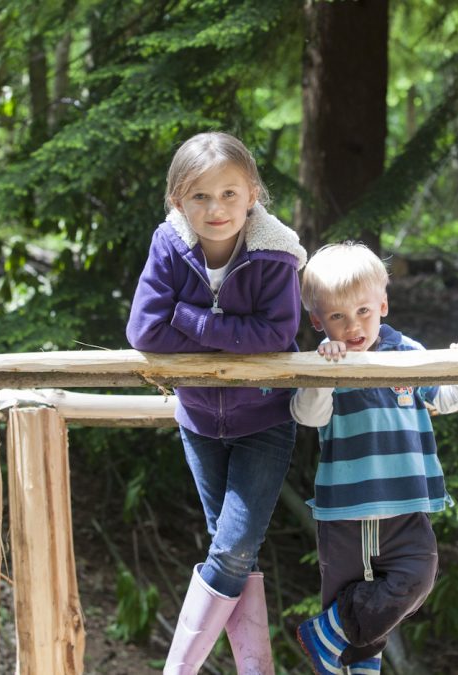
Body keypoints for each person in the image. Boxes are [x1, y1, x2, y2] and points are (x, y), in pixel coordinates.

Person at [126, 131, 307, 675]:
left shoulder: (274, 253)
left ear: (252, 193)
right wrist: (232, 332)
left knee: (230, 550)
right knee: (235, 551)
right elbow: (142, 329)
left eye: (229, 194)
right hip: (199, 420)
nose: (216, 208)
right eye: (200, 196)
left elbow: (277, 334)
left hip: (265, 418)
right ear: (178, 201)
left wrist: (189, 318)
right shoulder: (170, 244)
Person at [290, 242, 458, 675]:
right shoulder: (324, 363)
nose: (353, 326)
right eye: (337, 317)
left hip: (406, 503)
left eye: (363, 312)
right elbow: (307, 415)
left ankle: (328, 632)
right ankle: (356, 662)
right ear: (318, 321)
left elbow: (444, 399)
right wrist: (323, 374)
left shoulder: (407, 353)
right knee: (350, 593)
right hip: (348, 510)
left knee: (418, 574)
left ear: (383, 305)